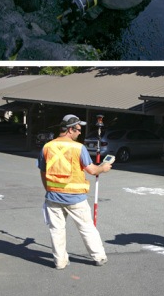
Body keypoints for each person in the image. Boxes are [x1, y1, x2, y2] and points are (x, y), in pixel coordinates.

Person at [38, 113, 112, 269]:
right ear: (70, 129)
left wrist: (49, 189)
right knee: (86, 227)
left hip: (53, 197)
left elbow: (43, 172)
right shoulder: (79, 148)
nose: (80, 132)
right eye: (78, 129)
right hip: (76, 198)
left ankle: (60, 262)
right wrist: (103, 168)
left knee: (56, 230)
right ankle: (99, 257)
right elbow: (91, 170)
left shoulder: (47, 147)